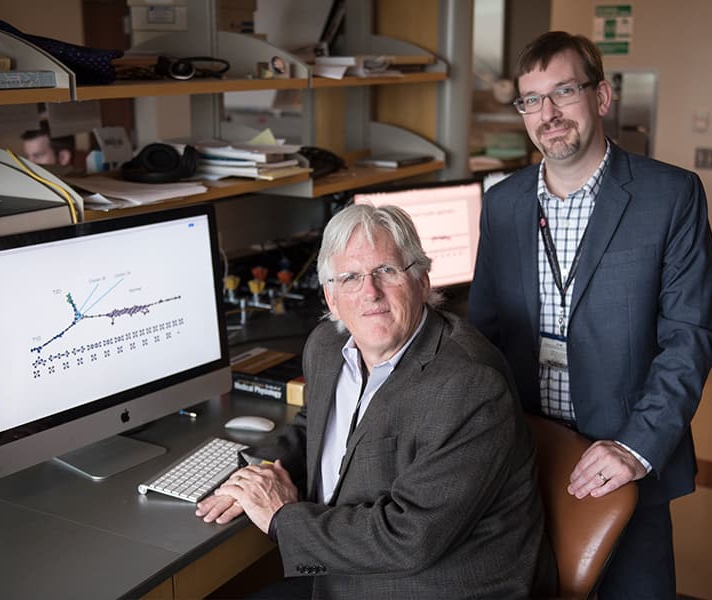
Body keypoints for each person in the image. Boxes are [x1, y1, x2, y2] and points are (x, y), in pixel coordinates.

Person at [467, 31, 712, 599]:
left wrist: (635, 447)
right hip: (526, 460)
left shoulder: (670, 196)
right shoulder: (503, 204)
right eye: (531, 100)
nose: (547, 114)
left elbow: (691, 336)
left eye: (564, 92)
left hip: (629, 456)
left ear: (602, 97)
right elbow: (483, 332)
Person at [197, 204, 555, 598]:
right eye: (350, 277)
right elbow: (313, 424)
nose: (370, 292)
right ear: (331, 297)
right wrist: (254, 475)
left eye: (386, 270)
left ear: (421, 280)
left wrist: (283, 519)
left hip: (434, 586)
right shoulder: (327, 346)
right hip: (347, 571)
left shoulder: (470, 384)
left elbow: (410, 538)